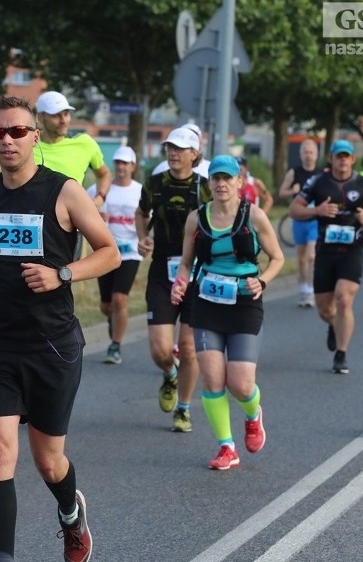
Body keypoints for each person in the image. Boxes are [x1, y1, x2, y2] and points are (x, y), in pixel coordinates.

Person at [0, 95, 119, 562]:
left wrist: (62, 274)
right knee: (0, 452)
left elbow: (108, 251)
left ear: (33, 137)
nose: (6, 141)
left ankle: (71, 513)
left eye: (16, 132)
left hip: (52, 342)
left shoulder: (64, 191)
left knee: (48, 460)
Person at [171, 155, 284, 470]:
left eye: (227, 178)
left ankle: (253, 414)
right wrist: (180, 282)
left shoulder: (255, 217)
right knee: (212, 379)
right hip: (207, 300)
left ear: (239, 181)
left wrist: (262, 280)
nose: (221, 184)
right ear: (209, 184)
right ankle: (226, 447)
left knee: (241, 383)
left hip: (245, 301)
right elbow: (186, 261)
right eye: (215, 179)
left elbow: (277, 258)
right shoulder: (196, 219)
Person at [288, 139, 363, 374]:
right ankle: (334, 326)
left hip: (352, 250)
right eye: (339, 156)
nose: (343, 160)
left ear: (353, 159)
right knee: (325, 309)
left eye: (347, 156)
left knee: (344, 298)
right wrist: (317, 210)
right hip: (325, 251)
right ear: (332, 159)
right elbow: (294, 209)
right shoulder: (319, 182)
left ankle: (341, 355)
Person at [135, 124, 211, 433]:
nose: (173, 153)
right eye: (170, 147)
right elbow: (141, 214)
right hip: (162, 272)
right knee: (160, 349)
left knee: (189, 347)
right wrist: (143, 238)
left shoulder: (204, 187)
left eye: (180, 149)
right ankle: (170, 374)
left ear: (195, 154)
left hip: (196, 273)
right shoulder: (154, 183)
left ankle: (184, 408)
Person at [34, 90, 112, 262]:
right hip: (32, 224)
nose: (63, 120)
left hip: (68, 226)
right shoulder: (28, 146)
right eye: (56, 115)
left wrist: (99, 199)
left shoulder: (85, 143)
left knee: (63, 278)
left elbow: (105, 173)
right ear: (40, 117)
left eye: (66, 114)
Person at [86, 145, 143, 365]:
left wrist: (145, 237)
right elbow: (85, 213)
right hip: (105, 251)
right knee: (106, 304)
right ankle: (113, 319)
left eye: (125, 163)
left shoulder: (139, 191)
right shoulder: (99, 189)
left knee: (120, 299)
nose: (121, 167)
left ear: (133, 166)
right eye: (118, 163)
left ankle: (115, 346)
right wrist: (96, 215)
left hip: (130, 252)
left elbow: (147, 219)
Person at [278, 138, 322, 308]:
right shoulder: (294, 173)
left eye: (311, 152)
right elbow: (281, 193)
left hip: (315, 221)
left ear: (317, 155)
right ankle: (304, 290)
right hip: (298, 221)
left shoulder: (320, 175)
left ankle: (310, 292)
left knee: (312, 257)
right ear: (301, 154)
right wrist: (292, 190)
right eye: (305, 152)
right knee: (302, 259)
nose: (308, 156)